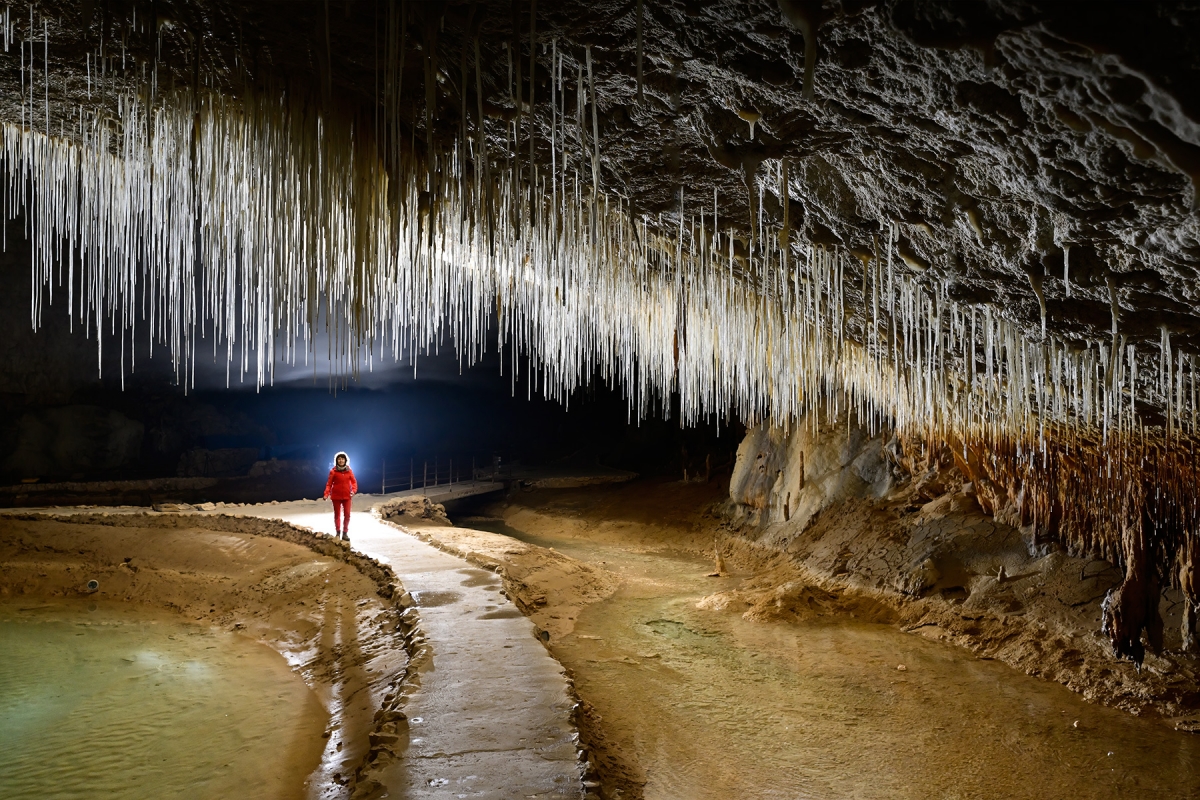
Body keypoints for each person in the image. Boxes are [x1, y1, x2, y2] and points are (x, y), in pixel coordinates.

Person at [324, 451, 357, 541]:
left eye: (342, 459)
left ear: (345, 460)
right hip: (336, 497)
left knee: (347, 515)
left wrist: (353, 491)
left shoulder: (349, 471)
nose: (341, 461)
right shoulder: (333, 472)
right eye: (339, 459)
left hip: (347, 496)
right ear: (337, 461)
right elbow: (329, 484)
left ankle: (345, 533)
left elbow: (354, 482)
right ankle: (338, 532)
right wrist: (326, 494)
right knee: (337, 515)